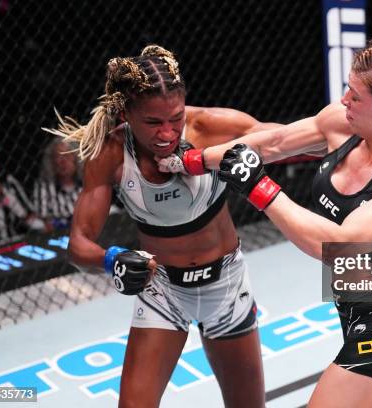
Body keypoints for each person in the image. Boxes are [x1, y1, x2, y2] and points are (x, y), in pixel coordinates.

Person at [158, 27, 372, 407]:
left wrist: (260, 188)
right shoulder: (344, 124)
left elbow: (338, 246)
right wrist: (193, 161)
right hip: (364, 326)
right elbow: (272, 143)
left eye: (355, 96)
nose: (344, 100)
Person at [46, 45, 279, 408]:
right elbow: (78, 245)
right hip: (163, 290)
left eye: (176, 118)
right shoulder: (110, 151)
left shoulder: (209, 127)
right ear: (126, 114)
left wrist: (365, 141)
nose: (168, 133)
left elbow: (294, 138)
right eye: (153, 123)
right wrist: (112, 259)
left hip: (226, 285)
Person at [32, 139, 83, 231]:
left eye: (68, 155)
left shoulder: (85, 185)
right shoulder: (44, 188)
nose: (63, 161)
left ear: (76, 158)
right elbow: (43, 221)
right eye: (58, 157)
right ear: (51, 162)